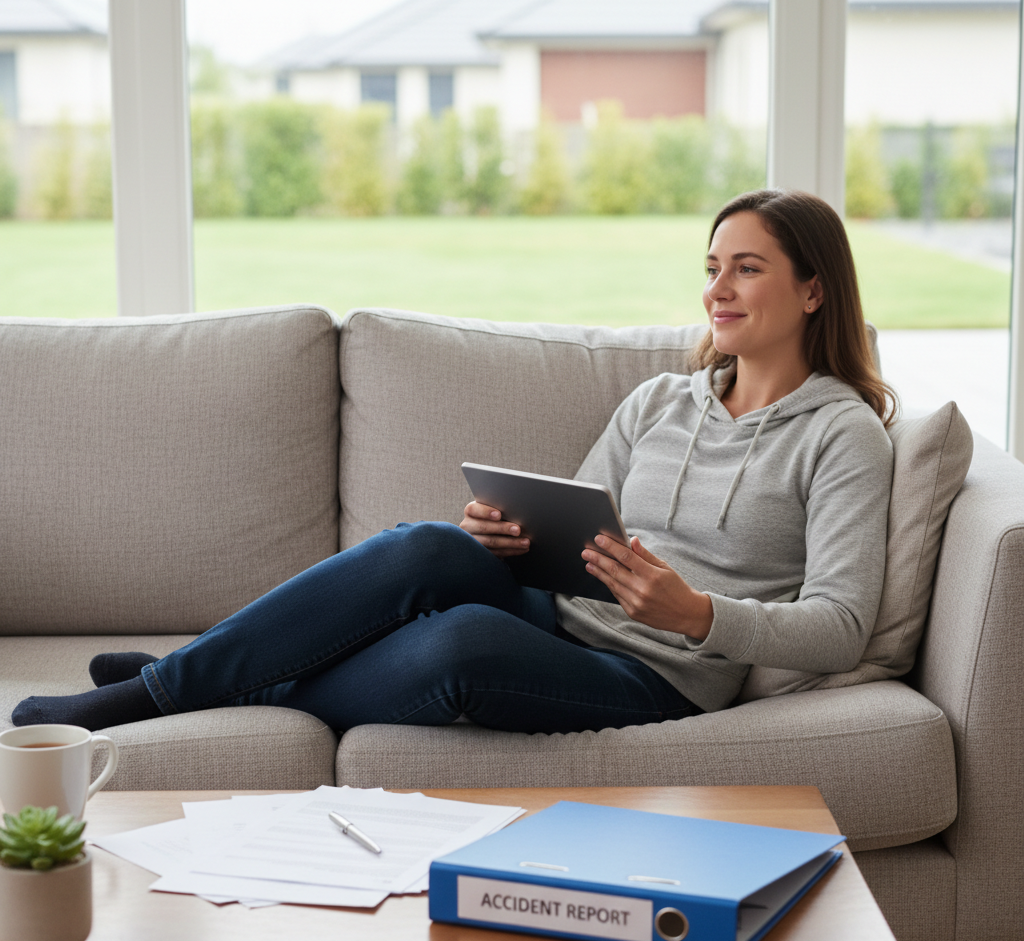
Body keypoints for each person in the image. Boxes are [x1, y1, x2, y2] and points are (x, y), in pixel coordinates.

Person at [12, 188, 897, 736]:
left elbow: (841, 623)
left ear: (813, 288)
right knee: (428, 546)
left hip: (663, 675)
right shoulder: (660, 401)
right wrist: (518, 539)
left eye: (747, 269)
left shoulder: (842, 433)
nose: (717, 290)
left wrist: (701, 614)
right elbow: (582, 536)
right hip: (562, 616)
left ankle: (172, 687)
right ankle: (205, 672)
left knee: (460, 646)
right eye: (712, 267)